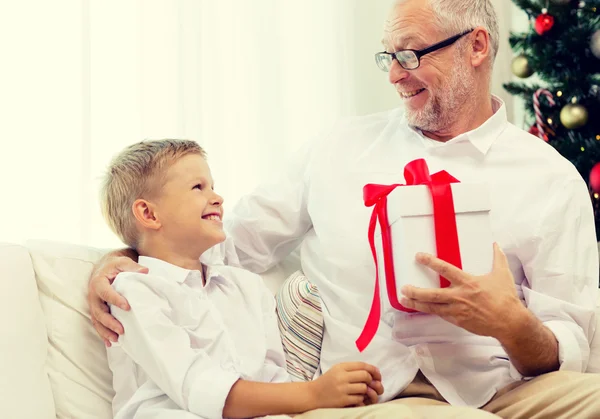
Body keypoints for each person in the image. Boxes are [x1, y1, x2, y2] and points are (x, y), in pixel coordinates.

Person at [89, 0, 600, 417]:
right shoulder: (338, 149)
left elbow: (575, 343)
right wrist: (125, 259)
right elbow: (225, 246)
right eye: (388, 57)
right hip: (378, 393)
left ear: (477, 46)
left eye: (412, 55)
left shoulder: (550, 179)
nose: (396, 76)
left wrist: (511, 324)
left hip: (512, 390)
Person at [98, 139, 384, 419]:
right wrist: (314, 393)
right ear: (148, 213)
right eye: (198, 187)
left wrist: (332, 393)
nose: (217, 198)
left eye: (213, 186)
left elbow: (273, 377)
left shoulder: (246, 286)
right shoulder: (133, 291)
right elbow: (196, 387)